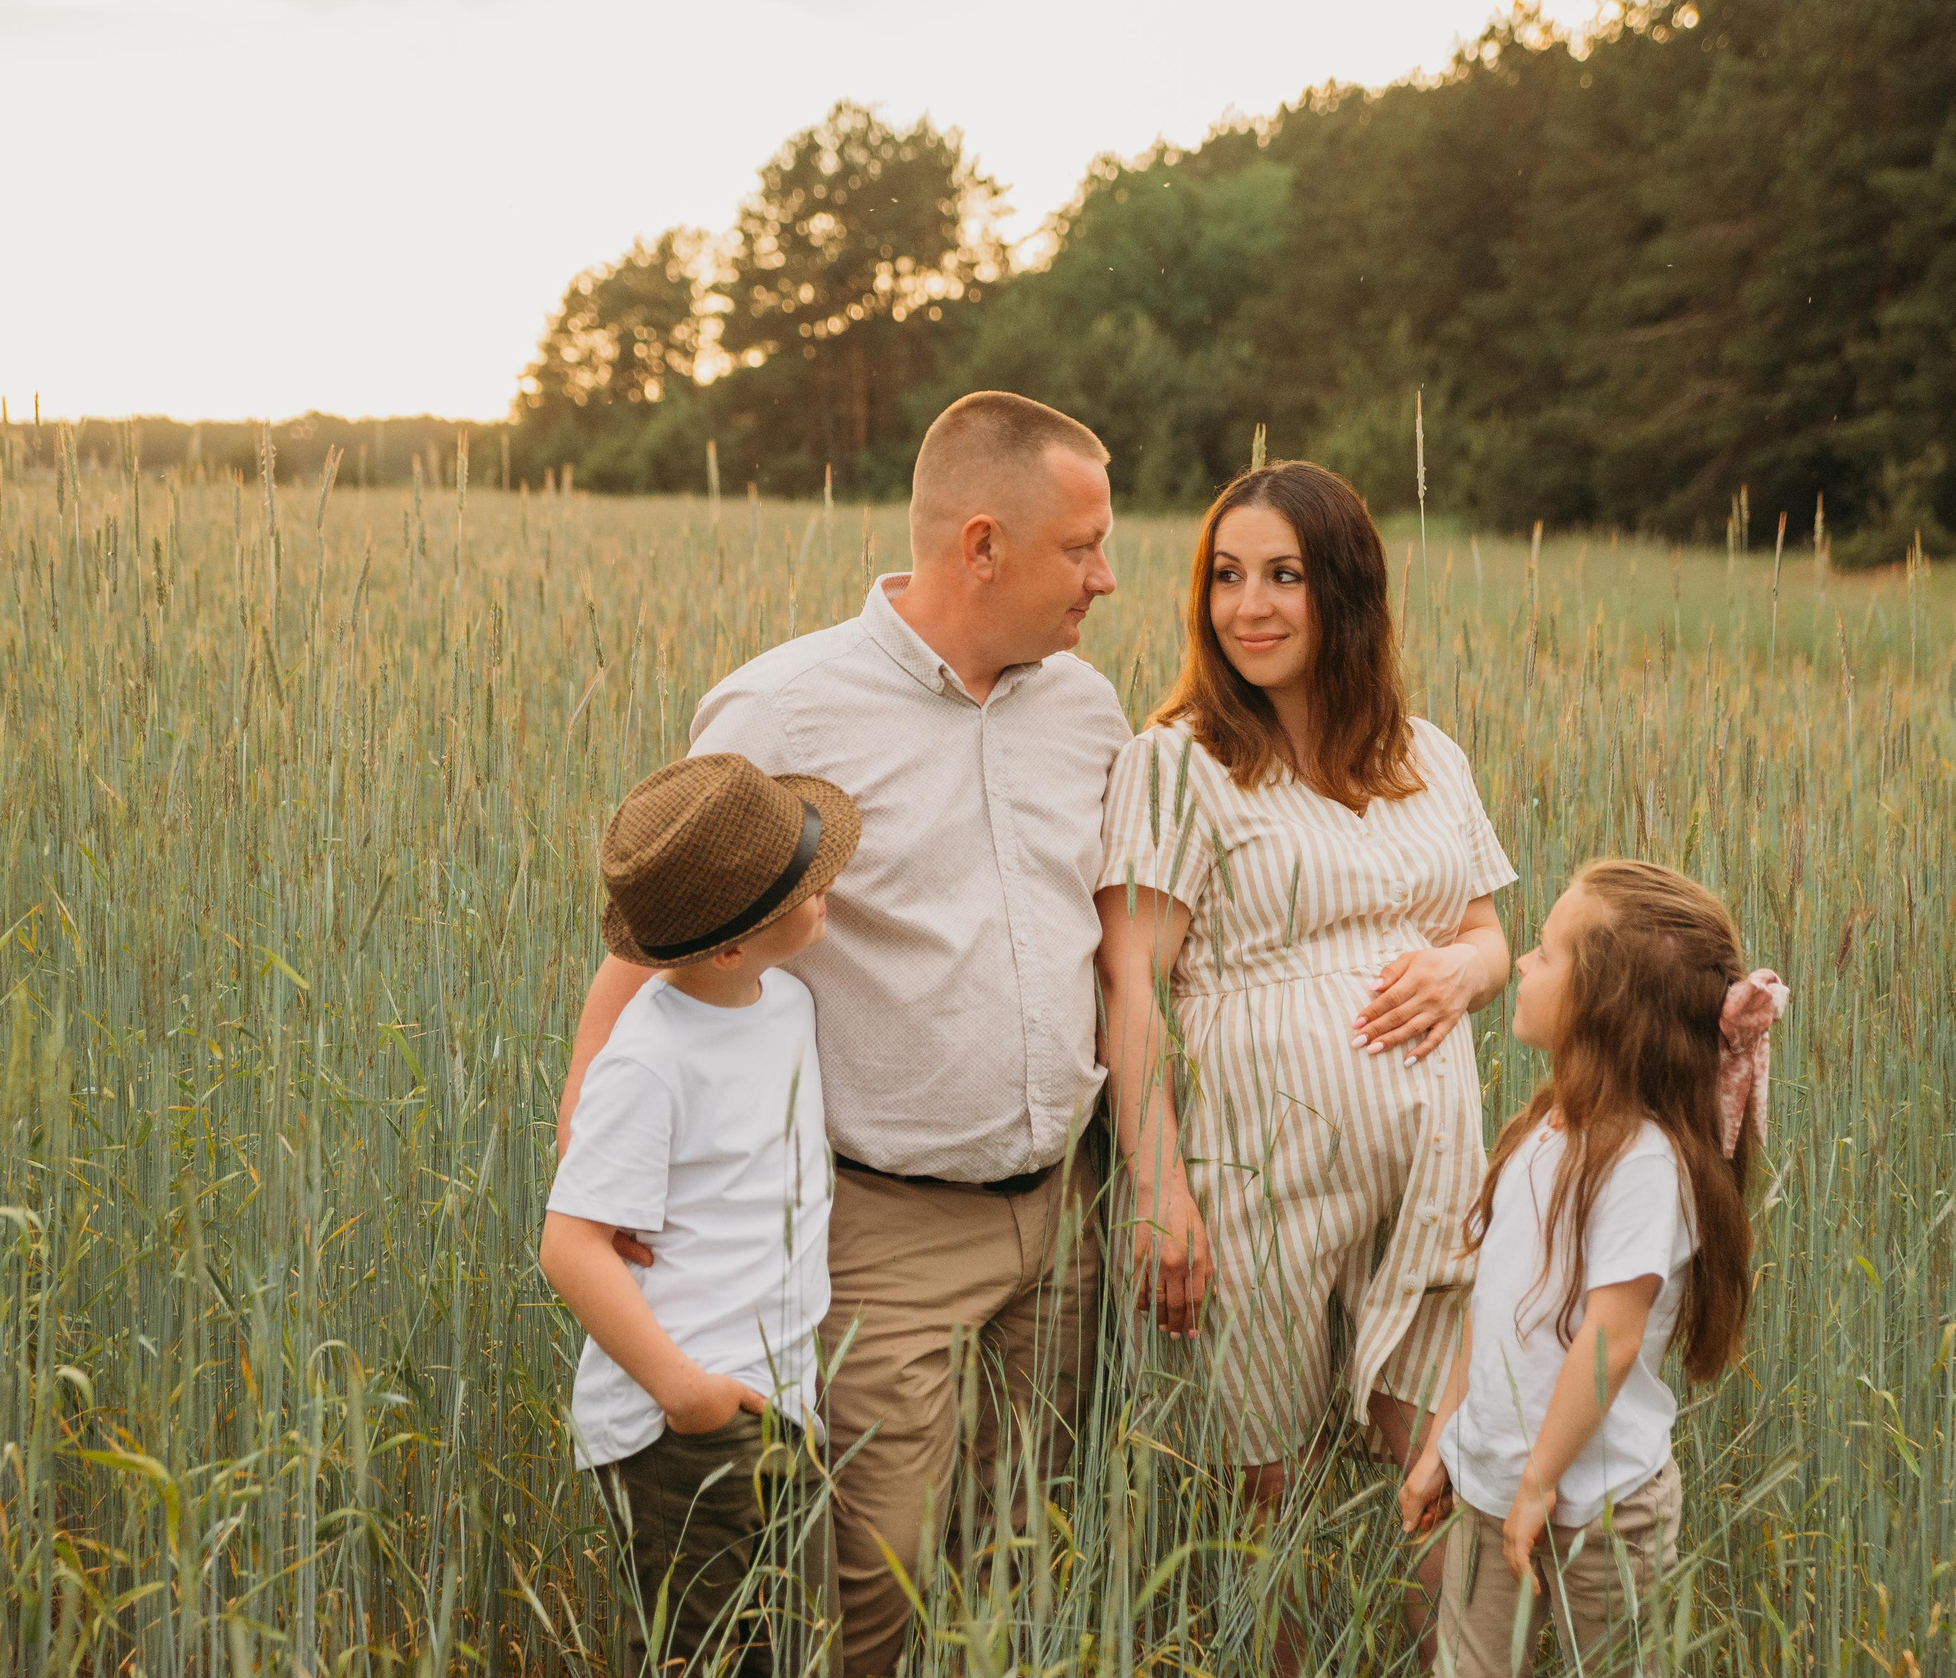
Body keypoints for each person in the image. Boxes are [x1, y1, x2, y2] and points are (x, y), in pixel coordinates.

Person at [555, 391, 1129, 1678]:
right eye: (1081, 545)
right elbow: (656, 930)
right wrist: (594, 1157)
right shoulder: (784, 707)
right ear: (981, 543)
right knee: (875, 1578)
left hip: (1066, 1216)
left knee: (1025, 1550)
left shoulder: (1088, 708)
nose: (1108, 575)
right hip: (884, 1230)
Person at [1095, 459, 1516, 1633]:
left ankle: (1468, 1665)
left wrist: (1459, 969)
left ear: (1346, 590)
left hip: (1432, 1174)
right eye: (1226, 577)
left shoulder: (1425, 754)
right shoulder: (1179, 759)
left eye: (1283, 574)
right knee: (1260, 1473)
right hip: (1260, 1174)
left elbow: (1492, 938)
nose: (1250, 605)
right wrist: (1159, 1184)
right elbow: (1130, 978)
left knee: (1450, 1450)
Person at [1398, 859, 1786, 1678]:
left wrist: (1541, 1483)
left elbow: (1609, 1339)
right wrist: (1444, 1441)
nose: (1525, 966)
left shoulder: (1644, 1162)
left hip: (1603, 1516)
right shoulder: (1546, 1129)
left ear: (1603, 1006)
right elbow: (1493, 1307)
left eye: (1543, 952)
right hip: (1495, 1486)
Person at [538, 752, 861, 1676]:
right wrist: (686, 1393)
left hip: (778, 1402)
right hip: (687, 1426)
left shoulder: (785, 1002)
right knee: (710, 1656)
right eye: (801, 880)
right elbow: (570, 1245)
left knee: (790, 1650)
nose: (824, 878)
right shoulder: (651, 1058)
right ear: (727, 946)